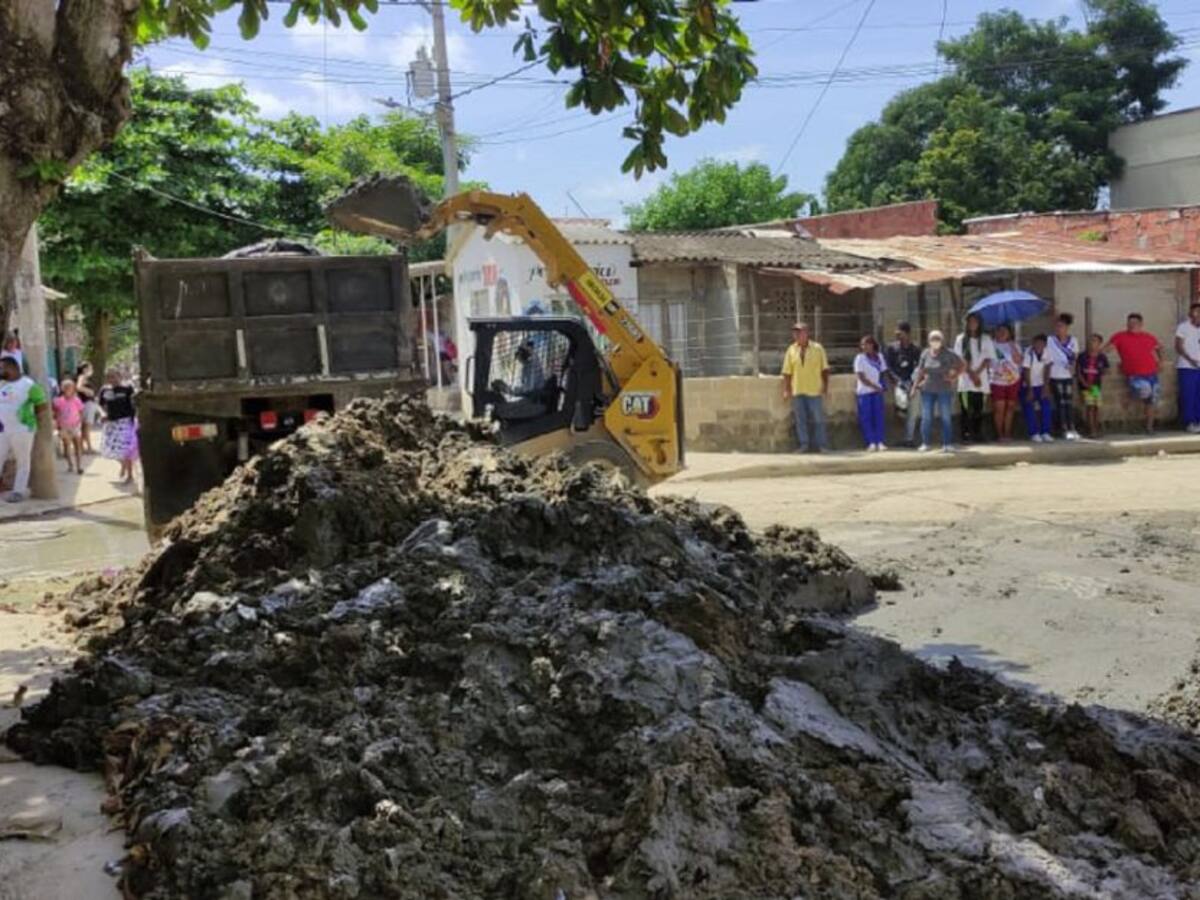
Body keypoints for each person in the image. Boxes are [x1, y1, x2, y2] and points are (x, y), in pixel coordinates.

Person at [0, 351, 49, 502]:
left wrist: (34, 423)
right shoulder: (2, 384)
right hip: (3, 429)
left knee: (23, 461)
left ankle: (18, 492)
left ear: (12, 368)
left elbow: (42, 405)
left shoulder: (29, 385)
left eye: (2, 368)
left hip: (22, 429)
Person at [1104, 313, 1163, 434]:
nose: (1131, 325)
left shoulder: (1148, 337)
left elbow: (1158, 348)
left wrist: (1160, 361)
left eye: (1134, 323)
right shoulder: (1120, 336)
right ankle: (1132, 418)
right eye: (1129, 322)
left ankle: (1149, 427)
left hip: (1151, 372)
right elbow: (1107, 349)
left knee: (1152, 400)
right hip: (1135, 374)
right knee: (1142, 392)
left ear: (1141, 324)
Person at [780, 322, 830, 453]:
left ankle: (822, 445)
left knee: (818, 419)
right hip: (797, 390)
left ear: (807, 333)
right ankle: (804, 445)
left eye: (799, 332)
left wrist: (825, 386)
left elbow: (824, 369)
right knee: (800, 420)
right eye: (795, 332)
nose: (796, 334)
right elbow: (787, 372)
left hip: (814, 390)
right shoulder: (791, 350)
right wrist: (786, 389)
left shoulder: (818, 348)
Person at [913, 330, 963, 453]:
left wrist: (953, 377)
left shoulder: (949, 353)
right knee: (926, 417)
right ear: (929, 341)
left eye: (938, 339)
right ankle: (926, 443)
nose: (935, 341)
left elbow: (962, 365)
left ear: (942, 340)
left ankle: (947, 443)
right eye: (933, 339)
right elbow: (920, 371)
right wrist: (914, 387)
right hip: (927, 389)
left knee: (946, 416)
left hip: (944, 389)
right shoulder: (925, 353)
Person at [953, 313, 995, 443]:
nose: (972, 324)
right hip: (965, 380)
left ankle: (977, 434)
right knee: (966, 409)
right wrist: (971, 373)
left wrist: (977, 373)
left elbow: (988, 358)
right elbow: (959, 359)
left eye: (975, 322)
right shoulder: (960, 339)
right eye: (970, 322)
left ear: (979, 324)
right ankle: (965, 435)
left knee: (979, 409)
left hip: (980, 380)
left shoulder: (986, 339)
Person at [885, 322, 922, 447]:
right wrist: (898, 381)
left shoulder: (915, 349)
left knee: (913, 412)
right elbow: (888, 367)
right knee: (900, 413)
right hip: (899, 385)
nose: (898, 336)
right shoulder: (892, 348)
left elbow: (919, 367)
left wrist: (914, 383)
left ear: (907, 334)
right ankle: (900, 438)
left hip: (913, 384)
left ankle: (909, 439)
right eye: (897, 333)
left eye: (901, 333)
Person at [98, 369, 138, 484]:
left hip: (125, 422)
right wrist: (103, 414)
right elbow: (100, 405)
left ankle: (130, 476)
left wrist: (134, 421)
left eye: (114, 376)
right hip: (111, 423)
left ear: (120, 377)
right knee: (110, 450)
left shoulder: (127, 389)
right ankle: (123, 465)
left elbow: (134, 405)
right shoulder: (104, 390)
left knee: (126, 450)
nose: (112, 379)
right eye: (109, 377)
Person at [853, 335, 892, 451]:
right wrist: (875, 386)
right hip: (864, 392)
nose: (864, 346)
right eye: (863, 344)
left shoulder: (879, 357)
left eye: (867, 344)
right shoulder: (860, 358)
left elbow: (884, 372)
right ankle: (871, 442)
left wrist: (884, 385)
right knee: (866, 417)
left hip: (877, 392)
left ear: (873, 345)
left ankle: (880, 441)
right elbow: (861, 377)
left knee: (878, 417)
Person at [1046, 313, 1081, 440]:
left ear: (1067, 327)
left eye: (1061, 326)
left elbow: (1075, 356)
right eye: (1057, 326)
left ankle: (1072, 427)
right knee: (1059, 402)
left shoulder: (1073, 340)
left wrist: (1073, 367)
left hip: (1068, 375)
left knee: (1069, 402)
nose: (1059, 328)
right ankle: (1063, 428)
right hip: (1055, 375)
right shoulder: (1050, 340)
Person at [990, 323, 1023, 442]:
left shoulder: (1015, 345)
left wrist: (1012, 346)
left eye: (1005, 330)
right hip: (997, 381)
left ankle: (1008, 433)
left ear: (1010, 332)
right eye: (999, 330)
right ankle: (1000, 434)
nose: (1002, 332)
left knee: (1010, 407)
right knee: (999, 409)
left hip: (1013, 380)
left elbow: (1019, 361)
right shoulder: (991, 345)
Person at [1077, 334, 1110, 439]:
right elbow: (1078, 371)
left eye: (1095, 341)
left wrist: (1101, 372)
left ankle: (1095, 427)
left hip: (1096, 386)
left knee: (1096, 407)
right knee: (1090, 407)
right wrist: (1084, 383)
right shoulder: (1083, 356)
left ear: (1100, 344)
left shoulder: (1102, 357)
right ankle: (1091, 430)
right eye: (1091, 341)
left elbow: (1106, 369)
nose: (1092, 343)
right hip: (1086, 386)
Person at [1022, 334, 1054, 442]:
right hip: (1029, 384)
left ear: (1045, 344)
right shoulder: (1028, 353)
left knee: (1046, 406)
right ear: (1033, 343)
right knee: (1029, 407)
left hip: (1041, 384)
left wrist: (1046, 386)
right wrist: (1030, 390)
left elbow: (1047, 368)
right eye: (1037, 343)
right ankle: (1034, 433)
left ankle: (1045, 432)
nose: (1039, 345)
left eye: (1042, 343)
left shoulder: (1047, 352)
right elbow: (1026, 371)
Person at [1175, 303, 1200, 433]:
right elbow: (1178, 346)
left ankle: (1198, 421)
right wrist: (1190, 360)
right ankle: (1189, 422)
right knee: (1188, 395)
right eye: (1195, 312)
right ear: (1190, 314)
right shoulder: (1183, 327)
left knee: (1198, 396)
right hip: (1187, 367)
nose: (1197, 315)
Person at [52, 378, 85, 474]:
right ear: (62, 389)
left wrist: (80, 422)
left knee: (77, 445)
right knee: (67, 446)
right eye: (66, 387)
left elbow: (81, 411)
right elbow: (55, 412)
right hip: (64, 426)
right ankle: (70, 465)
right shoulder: (58, 401)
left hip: (75, 425)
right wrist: (57, 423)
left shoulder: (77, 400)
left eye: (70, 387)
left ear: (73, 388)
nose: (68, 389)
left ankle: (79, 466)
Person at [75, 362, 97, 454]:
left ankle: (82, 447)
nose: (91, 370)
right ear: (84, 369)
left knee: (84, 427)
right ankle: (88, 447)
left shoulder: (84, 378)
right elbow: (78, 387)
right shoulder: (82, 377)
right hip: (87, 403)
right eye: (89, 368)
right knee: (86, 427)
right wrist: (89, 391)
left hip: (87, 404)